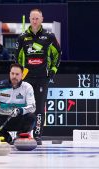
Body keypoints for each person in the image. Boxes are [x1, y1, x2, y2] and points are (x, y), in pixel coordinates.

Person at [16, 9, 61, 145]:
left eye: (37, 18)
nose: (35, 21)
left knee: (40, 107)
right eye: (32, 18)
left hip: (42, 77)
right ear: (29, 19)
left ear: (42, 19)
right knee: (25, 106)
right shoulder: (22, 37)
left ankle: (37, 135)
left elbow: (58, 54)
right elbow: (17, 58)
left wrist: (52, 70)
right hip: (27, 78)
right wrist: (19, 74)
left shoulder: (49, 36)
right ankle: (23, 133)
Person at [0, 63, 36, 144]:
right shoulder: (0, 85)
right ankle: (6, 137)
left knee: (32, 117)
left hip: (19, 118)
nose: (14, 76)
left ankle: (20, 136)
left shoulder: (27, 87)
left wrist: (20, 110)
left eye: (17, 74)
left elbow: (32, 107)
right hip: (4, 118)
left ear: (22, 75)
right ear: (9, 73)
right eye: (12, 73)